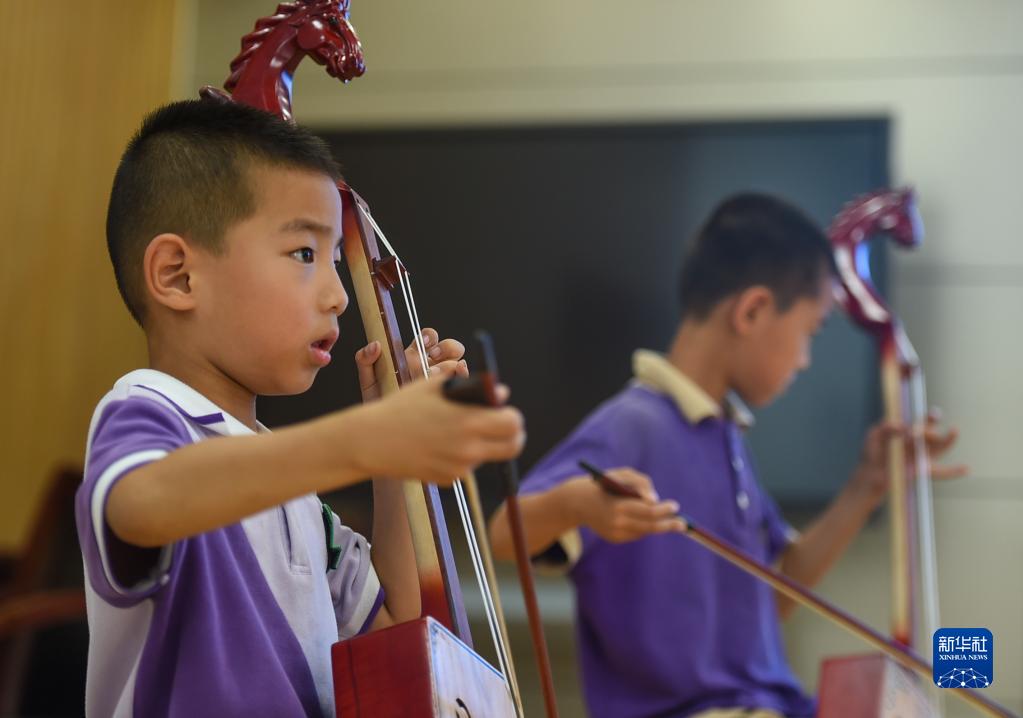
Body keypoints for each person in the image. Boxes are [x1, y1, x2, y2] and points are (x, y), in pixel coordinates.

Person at [75, 99, 525, 717]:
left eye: (338, 258)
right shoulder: (146, 411)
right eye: (304, 254)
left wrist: (394, 458)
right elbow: (142, 503)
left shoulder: (300, 500)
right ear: (178, 276)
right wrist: (364, 437)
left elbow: (396, 630)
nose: (339, 295)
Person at [488, 193, 964, 718]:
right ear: (753, 310)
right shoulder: (632, 426)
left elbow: (775, 593)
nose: (805, 360)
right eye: (809, 332)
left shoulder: (723, 436)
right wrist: (577, 504)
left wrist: (866, 485)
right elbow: (501, 536)